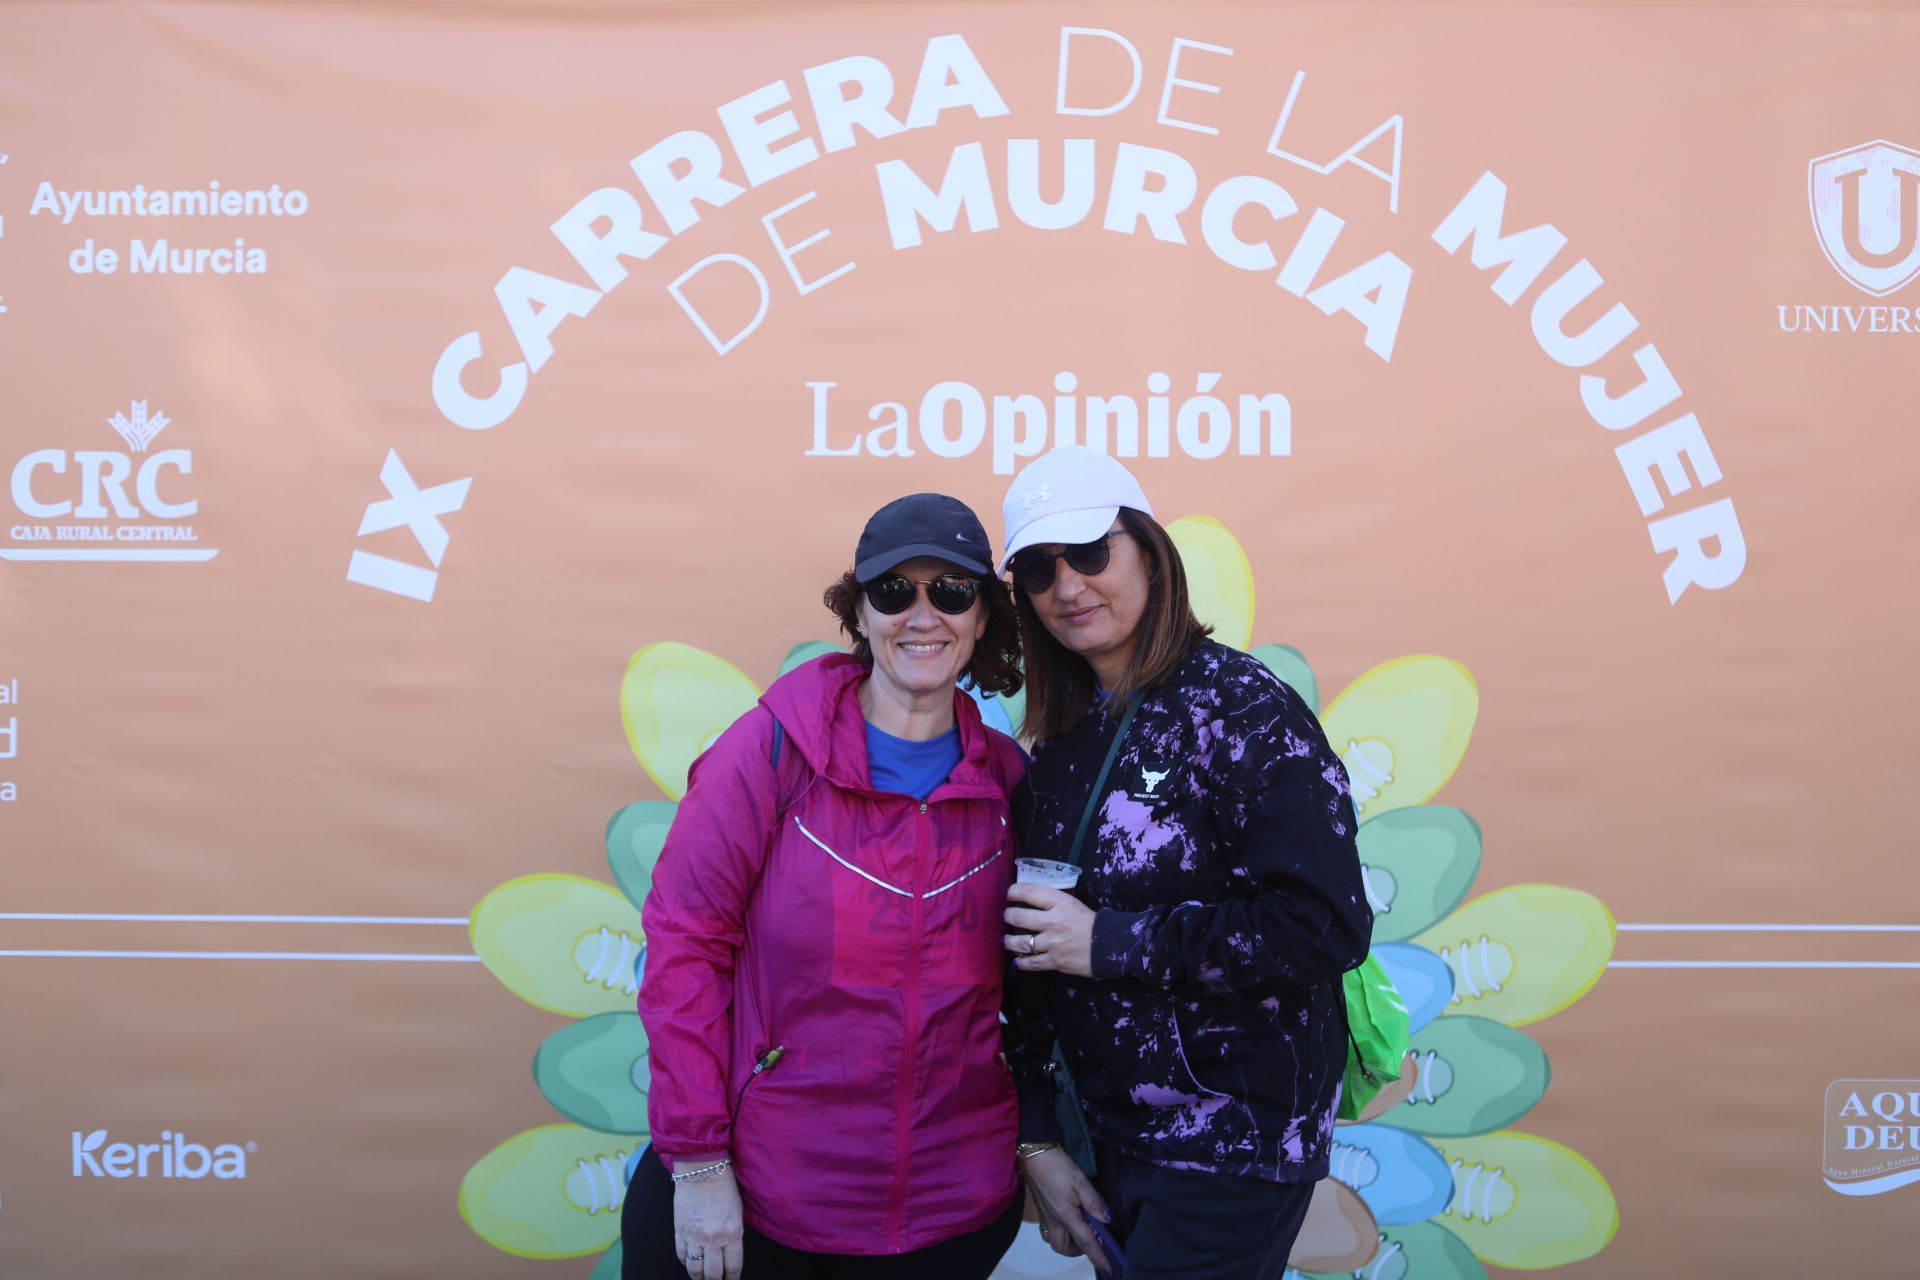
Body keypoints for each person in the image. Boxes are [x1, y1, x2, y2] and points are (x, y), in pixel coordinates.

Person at [625, 493, 1029, 1280]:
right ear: (861, 613)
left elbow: (1034, 994)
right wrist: (700, 1162)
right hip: (765, 1209)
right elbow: (684, 950)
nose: (922, 615)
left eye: (951, 591)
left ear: (984, 617)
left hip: (950, 1218)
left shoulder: (1008, 785)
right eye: (893, 592)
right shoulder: (772, 751)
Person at [996, 446, 1373, 1280]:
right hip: (1110, 1139)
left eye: (1091, 553)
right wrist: (1038, 1135)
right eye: (1036, 569)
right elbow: (1028, 950)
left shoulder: (1242, 707)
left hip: (1231, 1145)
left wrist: (1112, 943)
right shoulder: (1057, 737)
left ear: (1148, 551)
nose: (1067, 586)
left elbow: (1324, 923)